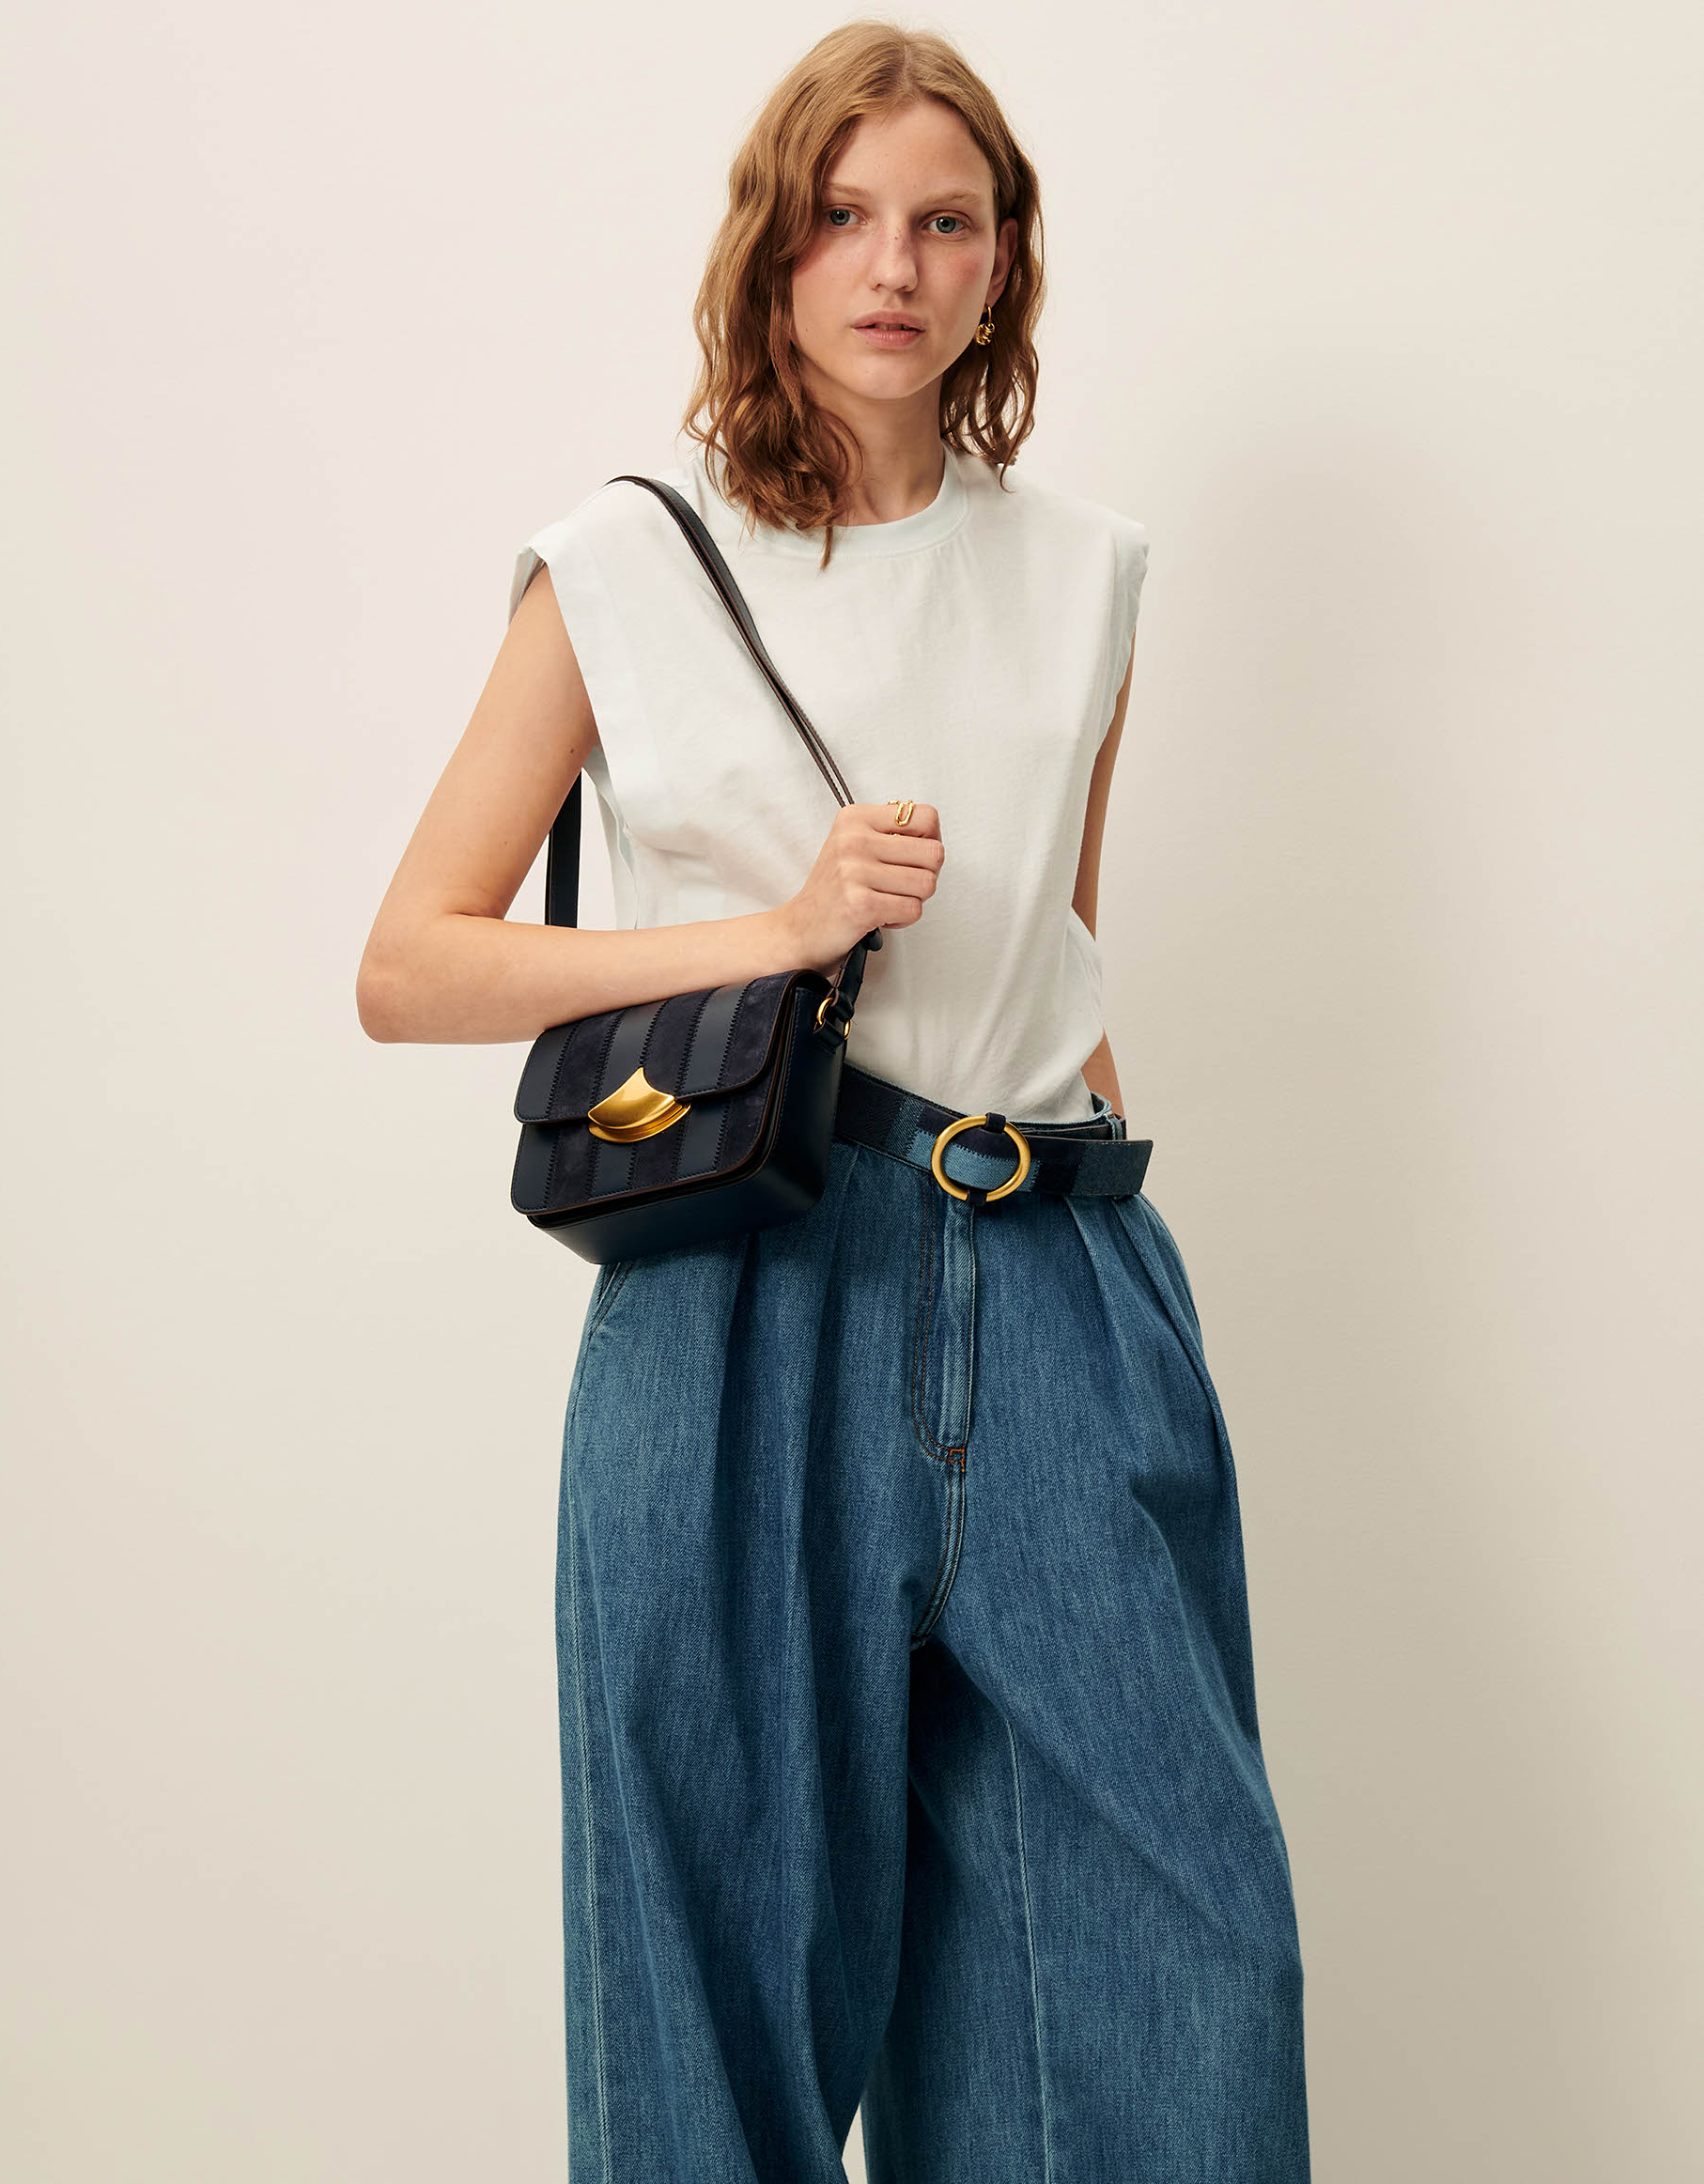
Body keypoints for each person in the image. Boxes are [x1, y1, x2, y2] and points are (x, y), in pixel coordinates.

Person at [358, 21, 1311, 2182]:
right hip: (751, 1287)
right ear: (772, 248)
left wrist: (1133, 1293)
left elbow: (1059, 950)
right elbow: (412, 959)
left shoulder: (1087, 570)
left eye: (945, 223)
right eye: (845, 216)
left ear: (1003, 263)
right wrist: (775, 931)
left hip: (1065, 1273)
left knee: (1180, 1986)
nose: (894, 265)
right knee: (721, 1994)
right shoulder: (621, 567)